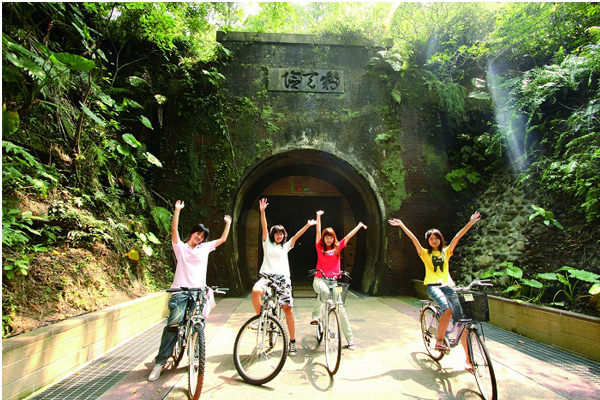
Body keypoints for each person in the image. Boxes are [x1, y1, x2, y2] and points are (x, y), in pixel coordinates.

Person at [148, 200, 232, 382]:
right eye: (197, 234)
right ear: (192, 233)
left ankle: (195, 357)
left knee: (198, 324)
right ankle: (160, 362)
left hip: (198, 292)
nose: (199, 237)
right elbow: (174, 232)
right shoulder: (181, 248)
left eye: (202, 236)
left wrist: (228, 224)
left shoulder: (205, 249)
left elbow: (223, 240)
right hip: (180, 291)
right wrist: (177, 210)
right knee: (173, 325)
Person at [388, 211, 481, 371]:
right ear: (428, 241)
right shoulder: (424, 253)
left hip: (449, 286)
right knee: (447, 309)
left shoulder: (446, 251)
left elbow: (458, 237)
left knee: (463, 324)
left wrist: (471, 223)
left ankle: (469, 361)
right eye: (431, 239)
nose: (434, 240)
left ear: (440, 239)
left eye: (436, 238)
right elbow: (414, 240)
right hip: (433, 285)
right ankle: (439, 340)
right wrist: (402, 225)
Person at [251, 198, 316, 357]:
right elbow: (264, 227)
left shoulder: (285, 246)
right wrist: (262, 212)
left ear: (283, 235)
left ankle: (292, 342)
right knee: (255, 291)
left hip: (283, 279)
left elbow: (296, 236)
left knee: (287, 308)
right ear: (273, 235)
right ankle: (262, 319)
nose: (279, 236)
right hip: (267, 276)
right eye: (277, 233)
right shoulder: (267, 243)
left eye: (281, 234)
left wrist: (307, 225)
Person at [310, 210, 366, 350]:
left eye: (331, 237)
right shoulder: (319, 248)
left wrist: (359, 226)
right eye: (326, 237)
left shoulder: (337, 248)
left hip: (334, 282)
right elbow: (317, 232)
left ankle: (350, 339)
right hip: (320, 280)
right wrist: (318, 217)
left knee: (340, 309)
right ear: (323, 239)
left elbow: (348, 236)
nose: (328, 239)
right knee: (323, 291)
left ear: (334, 238)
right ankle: (316, 316)